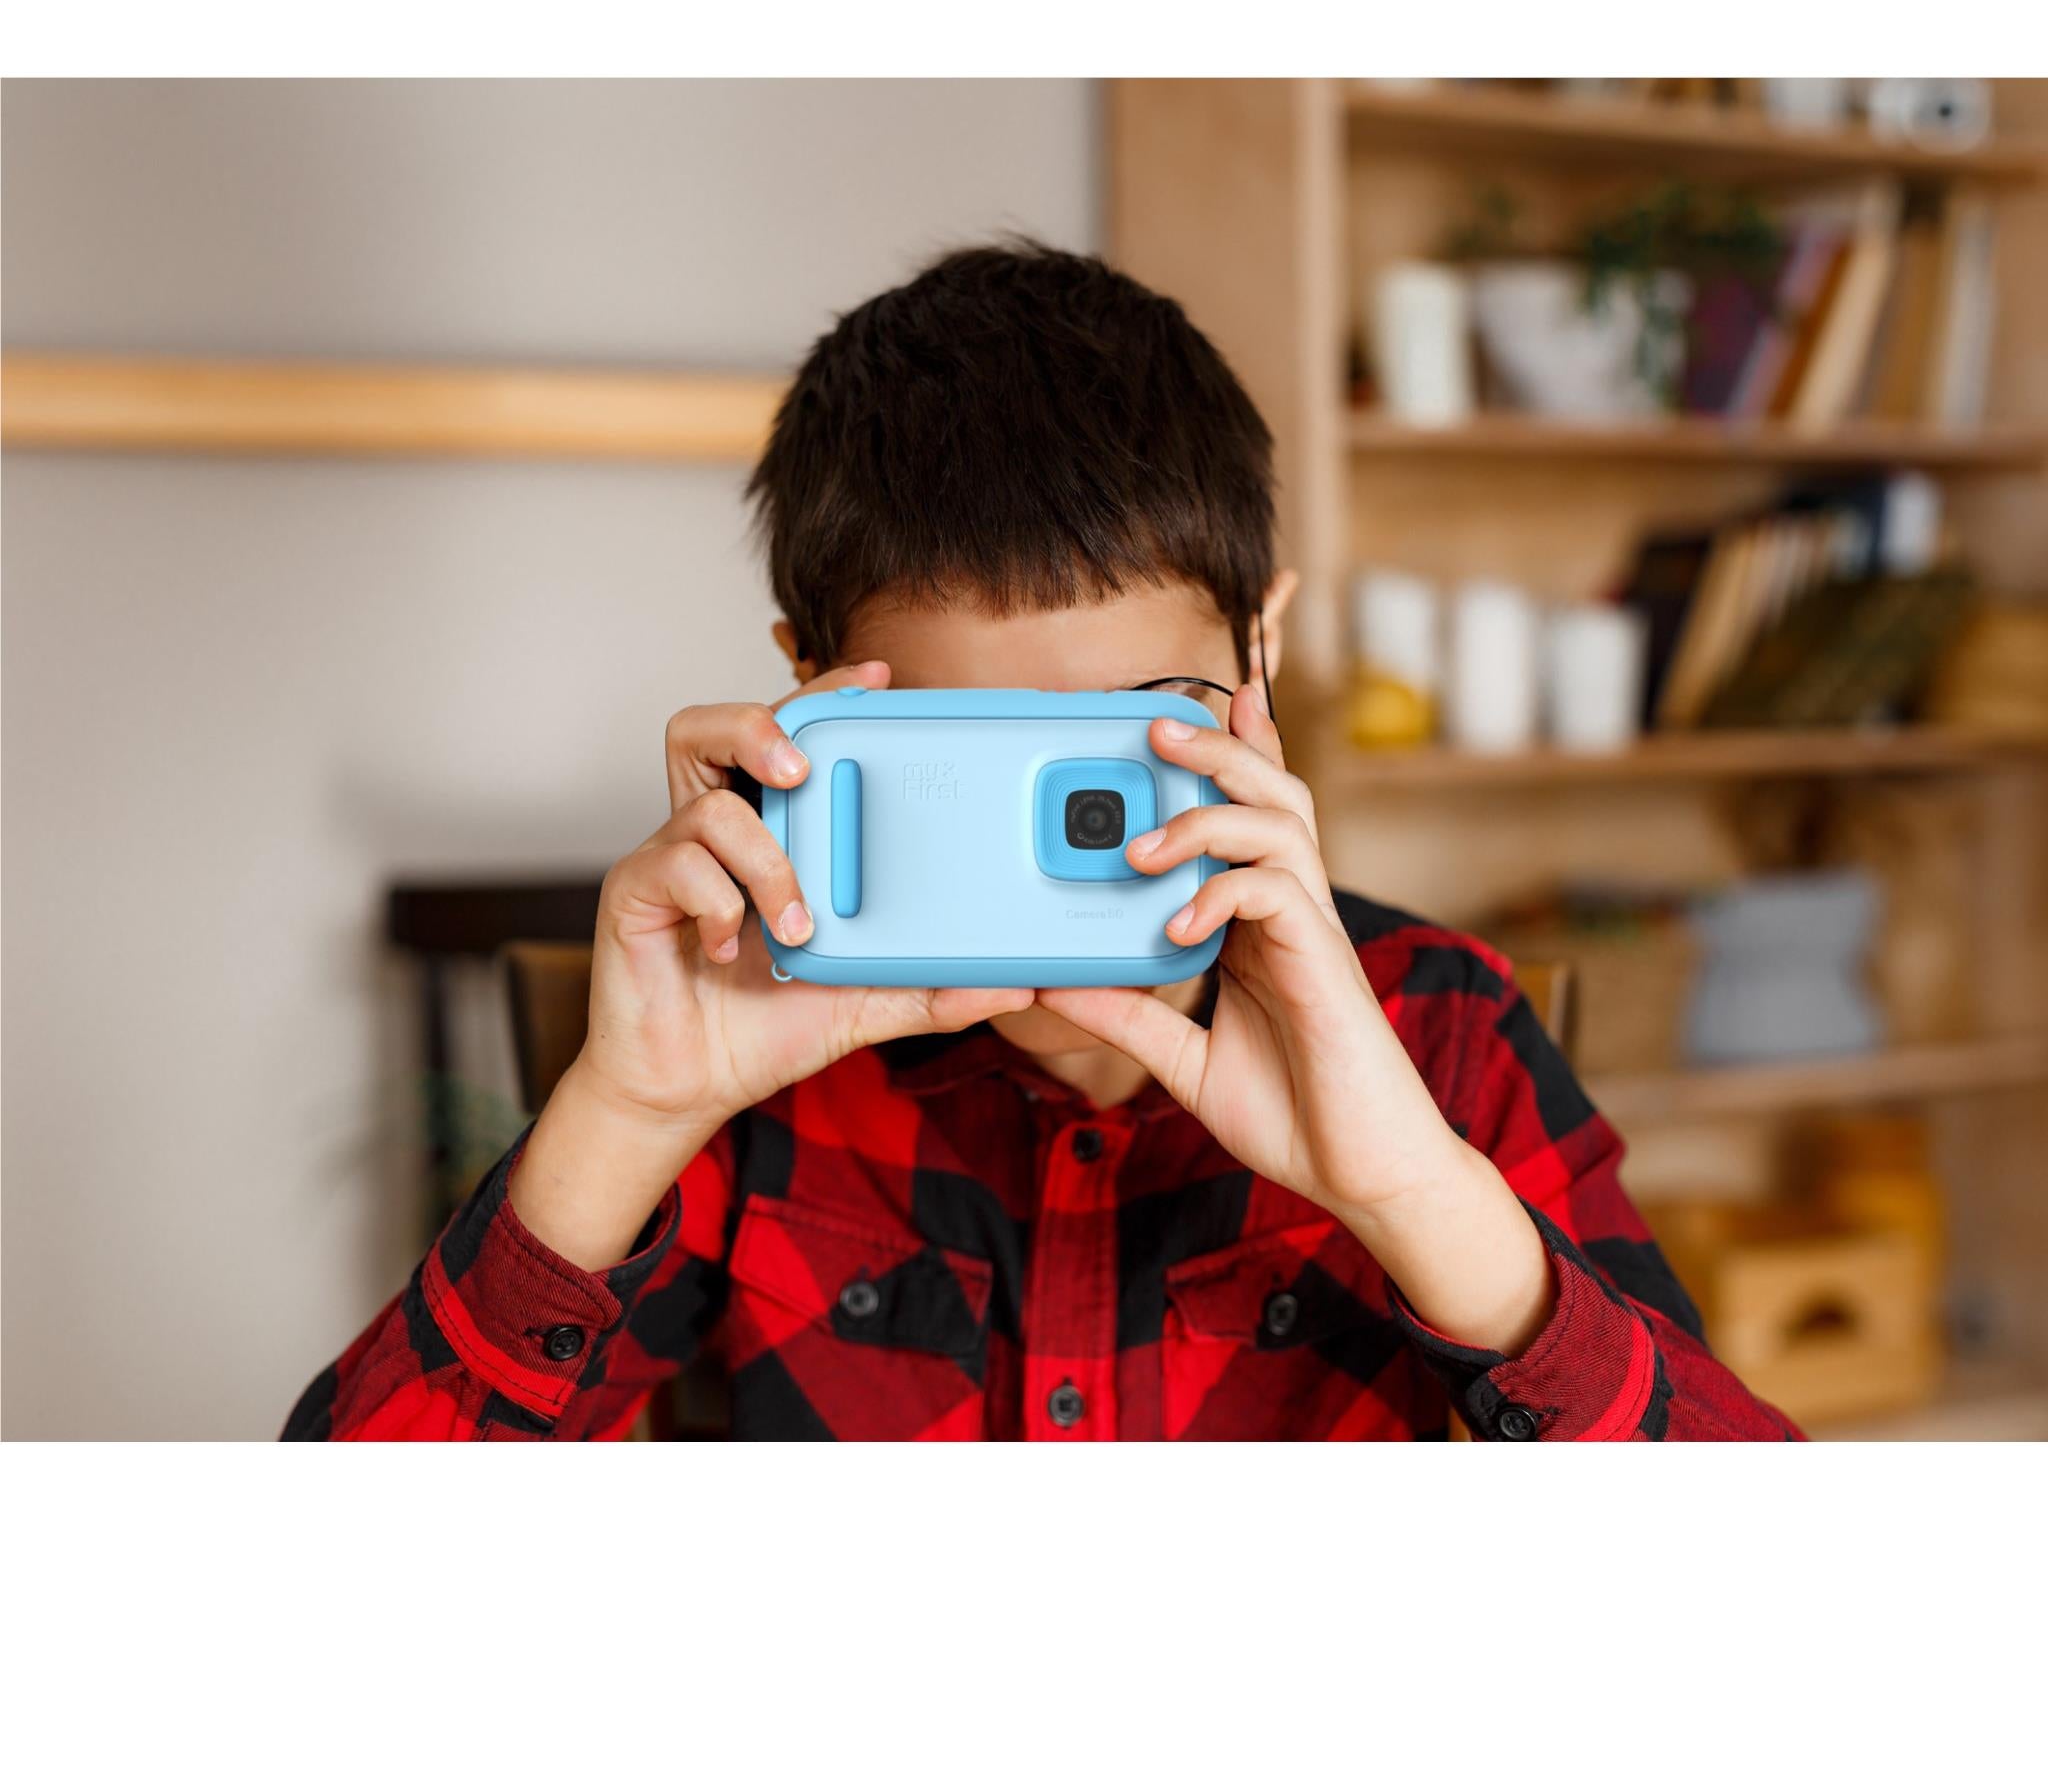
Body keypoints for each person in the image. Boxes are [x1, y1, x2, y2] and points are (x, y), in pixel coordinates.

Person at [285, 242, 1797, 1441]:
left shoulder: (1441, 1034)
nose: (1064, 842)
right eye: (965, 753)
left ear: (1260, 649)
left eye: (1135, 738)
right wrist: (624, 1116)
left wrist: (1415, 1194)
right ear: (811, 691)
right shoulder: (747, 1066)